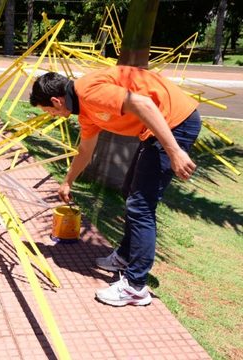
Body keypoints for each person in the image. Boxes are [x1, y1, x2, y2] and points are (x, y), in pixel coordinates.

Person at [30, 66, 201, 306]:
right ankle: (124, 256)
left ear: (56, 101)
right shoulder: (85, 110)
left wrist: (174, 151)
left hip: (175, 123)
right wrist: (67, 181)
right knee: (129, 192)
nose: (52, 115)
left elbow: (143, 104)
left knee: (141, 206)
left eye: (48, 110)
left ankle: (135, 286)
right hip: (159, 127)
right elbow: (85, 151)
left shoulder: (88, 91)